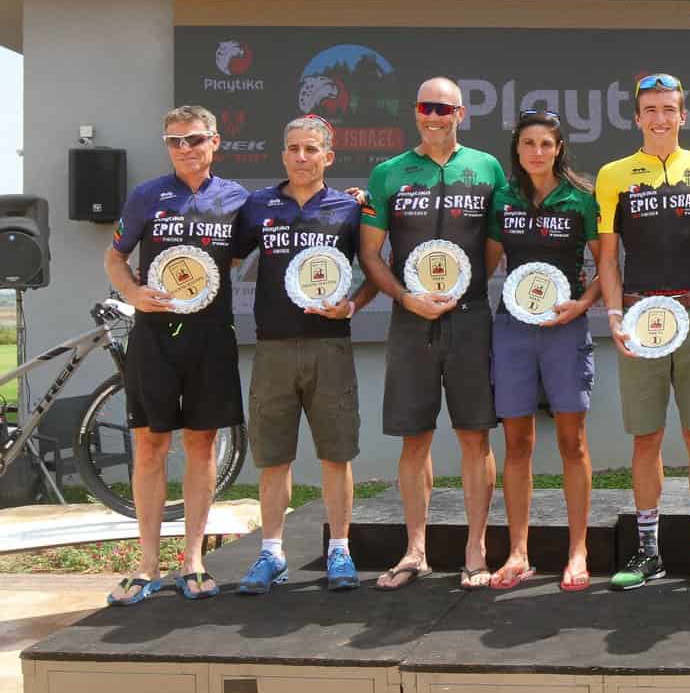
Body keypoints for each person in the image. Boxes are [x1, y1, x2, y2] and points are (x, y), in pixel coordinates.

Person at [360, 77, 507, 591]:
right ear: (415, 112)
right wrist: (408, 299)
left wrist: (464, 288)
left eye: (443, 109)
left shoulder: (487, 168)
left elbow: (493, 246)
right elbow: (371, 253)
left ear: (460, 114)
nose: (434, 117)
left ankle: (475, 550)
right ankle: (415, 550)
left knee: (475, 435)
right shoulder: (389, 172)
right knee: (415, 438)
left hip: (470, 318)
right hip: (410, 321)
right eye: (426, 107)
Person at [103, 105, 248, 604]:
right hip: (154, 337)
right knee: (149, 445)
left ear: (215, 142)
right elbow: (115, 256)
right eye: (174, 141)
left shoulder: (237, 199)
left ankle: (193, 560)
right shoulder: (147, 195)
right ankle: (146, 563)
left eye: (195, 139)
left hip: (210, 336)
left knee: (202, 445)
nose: (185, 148)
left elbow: (254, 248)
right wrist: (132, 293)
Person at [596, 73, 690, 594]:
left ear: (683, 115)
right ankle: (648, 551)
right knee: (646, 437)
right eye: (650, 110)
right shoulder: (613, 174)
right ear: (637, 117)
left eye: (668, 109)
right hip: (639, 316)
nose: (660, 118)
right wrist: (613, 314)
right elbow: (608, 258)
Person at [233, 115, 379, 594]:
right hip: (272, 347)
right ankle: (271, 553)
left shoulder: (349, 208)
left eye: (311, 149)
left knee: (336, 454)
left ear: (328, 157)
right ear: (283, 155)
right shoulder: (257, 206)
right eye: (293, 148)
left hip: (329, 346)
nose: (301, 157)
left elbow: (376, 269)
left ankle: (340, 548)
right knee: (274, 457)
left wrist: (352, 305)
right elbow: (226, 259)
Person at [485, 109, 600, 592]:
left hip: (565, 329)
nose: (537, 152)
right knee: (517, 444)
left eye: (546, 144)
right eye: (528, 143)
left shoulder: (582, 197)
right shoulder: (503, 198)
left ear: (559, 149)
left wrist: (582, 304)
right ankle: (518, 552)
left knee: (573, 443)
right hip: (512, 329)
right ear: (517, 148)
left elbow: (607, 267)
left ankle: (578, 550)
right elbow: (484, 262)